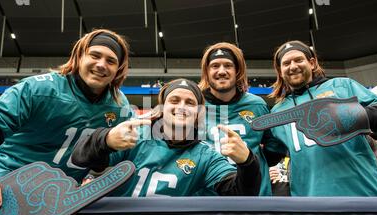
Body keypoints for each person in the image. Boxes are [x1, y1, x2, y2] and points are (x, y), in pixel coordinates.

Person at [0, 29, 133, 214]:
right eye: (95, 55)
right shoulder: (39, 88)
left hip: (61, 198)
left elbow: (106, 161)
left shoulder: (119, 106)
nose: (101, 65)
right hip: (5, 185)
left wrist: (101, 154)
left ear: (118, 69)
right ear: (79, 57)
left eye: (111, 61)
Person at [71, 79, 261, 197]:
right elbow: (80, 158)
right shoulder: (135, 135)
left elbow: (240, 193)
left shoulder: (207, 156)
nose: (182, 106)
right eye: (174, 100)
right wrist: (105, 140)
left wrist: (247, 162)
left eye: (190, 103)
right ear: (161, 108)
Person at [266, 40, 377, 196]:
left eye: (298, 60)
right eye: (286, 63)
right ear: (280, 71)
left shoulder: (342, 86)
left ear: (312, 63)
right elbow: (270, 153)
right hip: (311, 203)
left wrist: (348, 117)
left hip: (363, 193)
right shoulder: (278, 112)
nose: (293, 66)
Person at [198, 42, 285, 196]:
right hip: (209, 199)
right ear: (206, 71)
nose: (222, 71)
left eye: (228, 65)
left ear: (237, 70)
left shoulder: (256, 105)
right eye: (215, 66)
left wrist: (253, 162)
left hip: (254, 198)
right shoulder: (196, 105)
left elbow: (275, 148)